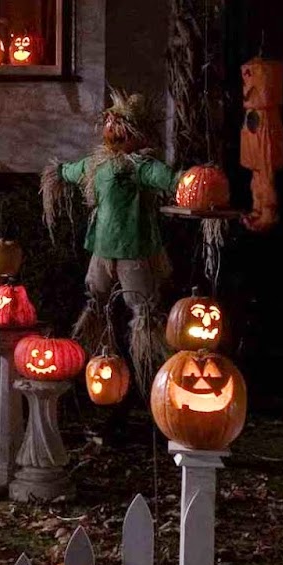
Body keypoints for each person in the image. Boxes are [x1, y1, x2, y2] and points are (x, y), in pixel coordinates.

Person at [41, 89, 179, 383]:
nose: (113, 132)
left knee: (141, 304)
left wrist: (187, 182)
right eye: (109, 125)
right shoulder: (97, 164)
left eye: (121, 126)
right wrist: (57, 173)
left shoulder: (140, 166)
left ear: (137, 133)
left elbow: (168, 179)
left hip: (132, 248)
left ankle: (150, 364)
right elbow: (71, 170)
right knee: (95, 296)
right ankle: (98, 353)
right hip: (102, 247)